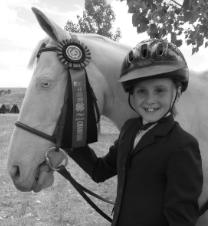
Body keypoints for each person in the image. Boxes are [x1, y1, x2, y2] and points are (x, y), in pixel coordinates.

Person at [69, 39, 203, 226]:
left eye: (159, 90)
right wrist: (69, 144)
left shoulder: (182, 146)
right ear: (131, 94)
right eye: (141, 91)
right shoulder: (129, 130)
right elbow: (99, 171)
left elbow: (181, 219)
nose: (150, 100)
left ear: (177, 92)